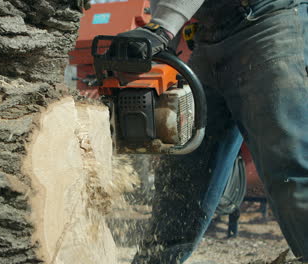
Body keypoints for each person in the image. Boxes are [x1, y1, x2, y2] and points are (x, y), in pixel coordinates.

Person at [117, 0, 308, 263]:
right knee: (184, 175)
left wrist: (161, 28)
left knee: (289, 166)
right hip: (208, 35)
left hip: (268, 21)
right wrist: (162, 44)